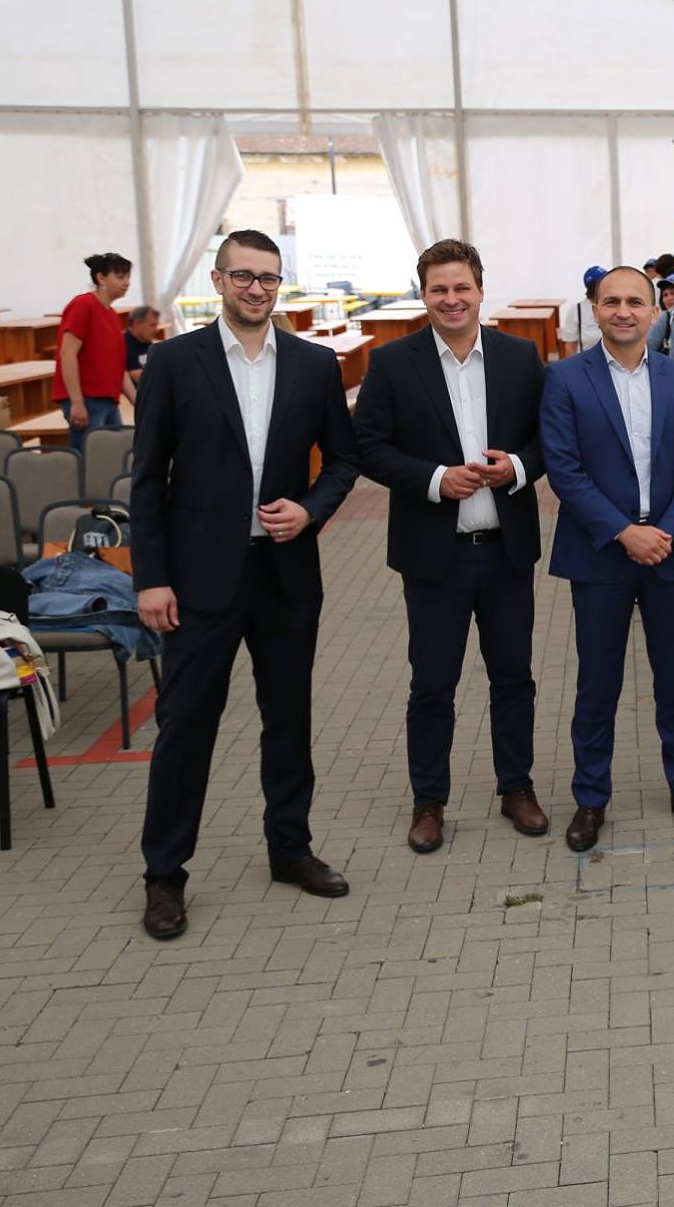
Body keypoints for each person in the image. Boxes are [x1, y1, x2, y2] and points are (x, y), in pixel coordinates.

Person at [131, 230, 360, 940]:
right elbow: (147, 480)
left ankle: (290, 848)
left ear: (279, 283)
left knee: (288, 718)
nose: (256, 289)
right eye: (243, 276)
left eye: (268, 278)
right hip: (199, 579)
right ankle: (164, 875)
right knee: (185, 725)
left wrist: (311, 510)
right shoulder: (175, 362)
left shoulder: (314, 364)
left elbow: (343, 461)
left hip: (285, 574)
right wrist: (151, 579)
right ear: (218, 280)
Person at [352, 238, 548, 853]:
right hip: (434, 557)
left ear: (481, 290)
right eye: (439, 289)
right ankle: (429, 801)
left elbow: (548, 438)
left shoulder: (520, 356)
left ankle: (516, 787)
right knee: (433, 684)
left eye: (462, 287)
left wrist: (517, 467)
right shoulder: (391, 362)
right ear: (424, 295)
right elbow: (368, 447)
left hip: (506, 551)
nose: (452, 299)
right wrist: (435, 479)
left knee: (513, 677)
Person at [540, 266, 674, 849]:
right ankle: (590, 797)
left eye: (635, 302)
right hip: (601, 554)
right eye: (611, 301)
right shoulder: (565, 378)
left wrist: (664, 532)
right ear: (594, 309)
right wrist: (625, 532)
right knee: (598, 684)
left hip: (669, 552)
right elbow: (564, 468)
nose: (623, 311)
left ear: (655, 310)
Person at [53, 252, 137, 453]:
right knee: (91, 459)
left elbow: (119, 368)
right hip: (87, 399)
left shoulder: (113, 316)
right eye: (120, 277)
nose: (126, 282)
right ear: (100, 278)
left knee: (113, 456)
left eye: (127, 277)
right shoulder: (83, 305)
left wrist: (139, 403)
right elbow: (67, 354)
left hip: (108, 400)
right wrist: (76, 402)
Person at [558, 264, 606, 358]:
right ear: (593, 287)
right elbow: (570, 346)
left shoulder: (614, 306)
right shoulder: (576, 310)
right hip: (587, 363)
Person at [123, 302, 160, 391]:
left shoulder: (148, 343)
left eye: (156, 325)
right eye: (152, 325)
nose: (156, 330)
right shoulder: (124, 344)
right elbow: (136, 374)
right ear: (137, 323)